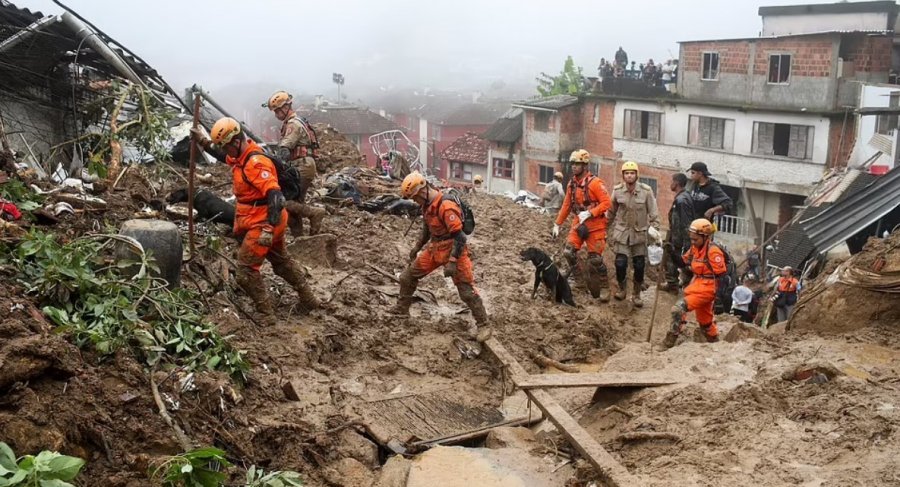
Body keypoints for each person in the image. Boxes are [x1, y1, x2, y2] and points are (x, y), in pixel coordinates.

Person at [194, 117, 319, 325]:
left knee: (245, 270)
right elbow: (224, 157)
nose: (225, 151)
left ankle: (266, 314)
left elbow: (276, 197)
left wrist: (268, 229)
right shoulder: (241, 154)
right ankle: (309, 299)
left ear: (235, 142)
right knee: (281, 262)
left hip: (265, 222)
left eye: (226, 146)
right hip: (263, 219)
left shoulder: (255, 163)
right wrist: (203, 142)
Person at [391, 172, 490, 341]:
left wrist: (452, 262)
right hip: (435, 247)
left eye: (415, 198)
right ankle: (401, 310)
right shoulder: (428, 205)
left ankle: (483, 325)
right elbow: (427, 228)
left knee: (466, 291)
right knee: (408, 277)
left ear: (421, 191)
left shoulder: (446, 206)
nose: (415, 201)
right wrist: (417, 247)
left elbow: (460, 237)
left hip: (454, 249)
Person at [552, 150, 612, 301]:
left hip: (595, 225)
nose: (574, 166)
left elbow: (607, 203)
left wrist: (591, 212)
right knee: (568, 252)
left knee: (595, 259)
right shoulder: (572, 184)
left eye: (577, 163)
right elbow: (566, 205)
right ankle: (579, 282)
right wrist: (557, 223)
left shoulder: (596, 183)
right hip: (579, 223)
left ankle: (604, 286)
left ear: (585, 165)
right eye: (572, 163)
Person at [266, 91, 328, 236]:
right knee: (294, 205)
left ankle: (314, 213)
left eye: (277, 111)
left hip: (302, 166)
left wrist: (276, 165)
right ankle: (299, 239)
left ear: (285, 107)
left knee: (285, 201)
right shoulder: (295, 122)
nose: (276, 114)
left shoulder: (293, 124)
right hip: (301, 165)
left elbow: (285, 148)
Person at [664, 218, 725, 347]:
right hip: (697, 284)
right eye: (691, 238)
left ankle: (669, 342)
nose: (693, 241)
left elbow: (723, 276)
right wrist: (672, 253)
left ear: (705, 237)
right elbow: (683, 263)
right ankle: (715, 343)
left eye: (695, 239)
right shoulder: (694, 249)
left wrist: (719, 299)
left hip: (708, 288)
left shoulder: (713, 251)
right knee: (705, 322)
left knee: (678, 309)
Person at [607, 161, 661, 307]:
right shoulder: (617, 191)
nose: (629, 176)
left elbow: (654, 212)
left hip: (639, 234)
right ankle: (622, 289)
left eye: (632, 173)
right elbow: (611, 212)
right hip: (622, 233)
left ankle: (636, 294)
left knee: (639, 265)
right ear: (623, 176)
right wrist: (604, 228)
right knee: (620, 263)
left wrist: (655, 230)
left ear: (636, 175)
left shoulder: (646, 191)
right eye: (627, 173)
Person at [661, 173, 694, 292]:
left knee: (672, 259)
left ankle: (673, 284)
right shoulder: (682, 197)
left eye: (672, 181)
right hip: (676, 236)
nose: (671, 184)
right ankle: (679, 283)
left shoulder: (682, 200)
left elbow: (685, 223)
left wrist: (687, 242)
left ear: (677, 183)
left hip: (678, 238)